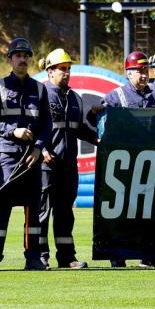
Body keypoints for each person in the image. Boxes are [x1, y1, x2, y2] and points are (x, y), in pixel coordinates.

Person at [0, 38, 51, 271]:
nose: (22, 59)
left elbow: (47, 125)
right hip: (9, 156)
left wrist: (38, 147)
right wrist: (14, 131)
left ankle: (33, 258)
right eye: (18, 55)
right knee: (3, 208)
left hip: (32, 157)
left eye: (26, 55)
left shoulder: (40, 89)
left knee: (33, 209)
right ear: (10, 59)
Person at [96, 51, 155, 268]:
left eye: (145, 70)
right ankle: (118, 255)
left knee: (149, 211)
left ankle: (148, 255)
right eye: (138, 71)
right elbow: (97, 120)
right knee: (122, 211)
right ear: (128, 73)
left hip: (149, 164)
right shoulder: (115, 96)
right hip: (124, 164)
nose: (144, 75)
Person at [37, 48, 97, 270]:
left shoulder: (75, 98)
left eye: (68, 69)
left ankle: (66, 257)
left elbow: (79, 128)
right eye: (62, 69)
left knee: (65, 214)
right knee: (42, 213)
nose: (67, 73)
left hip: (69, 166)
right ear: (50, 71)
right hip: (46, 165)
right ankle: (41, 257)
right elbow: (33, 129)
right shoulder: (40, 95)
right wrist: (42, 150)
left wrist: (96, 139)